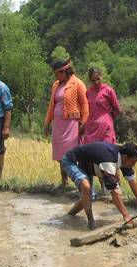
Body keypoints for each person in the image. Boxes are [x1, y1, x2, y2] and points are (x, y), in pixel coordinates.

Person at [62, 142, 137, 229]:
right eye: (133, 162)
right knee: (86, 187)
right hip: (71, 161)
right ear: (125, 157)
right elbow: (114, 192)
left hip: (87, 165)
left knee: (89, 196)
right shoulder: (108, 160)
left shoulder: (123, 158)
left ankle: (69, 216)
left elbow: (132, 182)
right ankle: (91, 222)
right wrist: (126, 215)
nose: (133, 165)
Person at [44, 59, 89, 190]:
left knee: (71, 154)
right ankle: (64, 182)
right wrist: (47, 123)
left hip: (71, 124)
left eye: (58, 73)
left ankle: (80, 182)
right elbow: (51, 105)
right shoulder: (56, 85)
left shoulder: (77, 83)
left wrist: (83, 122)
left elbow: (85, 104)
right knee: (60, 156)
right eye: (55, 74)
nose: (56, 76)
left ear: (65, 71)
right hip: (58, 125)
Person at [83, 67, 120, 145]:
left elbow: (117, 109)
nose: (96, 82)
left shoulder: (108, 90)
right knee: (91, 152)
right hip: (91, 127)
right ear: (90, 80)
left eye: (98, 79)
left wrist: (108, 118)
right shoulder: (88, 92)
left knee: (106, 150)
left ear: (101, 77)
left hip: (105, 126)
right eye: (93, 80)